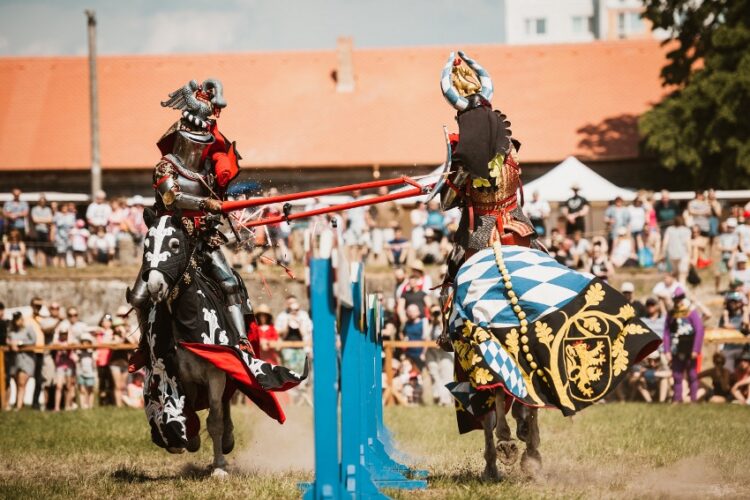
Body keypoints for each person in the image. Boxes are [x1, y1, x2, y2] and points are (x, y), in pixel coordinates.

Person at [126, 79, 254, 371]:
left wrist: (217, 212)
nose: (199, 150)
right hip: (169, 239)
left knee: (230, 283)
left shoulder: (207, 174)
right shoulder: (166, 166)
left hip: (201, 241)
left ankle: (242, 343)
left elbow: (215, 205)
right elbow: (172, 197)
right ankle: (145, 346)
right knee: (140, 294)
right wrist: (205, 205)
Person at [663, 287, 705, 403]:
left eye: (679, 299)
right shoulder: (671, 314)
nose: (678, 301)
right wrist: (667, 350)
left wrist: (696, 349)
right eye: (676, 299)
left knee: (692, 374)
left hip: (690, 347)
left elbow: (699, 330)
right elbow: (666, 333)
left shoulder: (691, 313)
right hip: (676, 348)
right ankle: (677, 399)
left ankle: (693, 400)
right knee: (676, 375)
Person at [275, 295, 312, 375]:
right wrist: (287, 325)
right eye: (290, 303)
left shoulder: (304, 315)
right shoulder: (282, 316)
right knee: (289, 372)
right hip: (287, 348)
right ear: (286, 304)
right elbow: (277, 333)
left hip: (302, 348)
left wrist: (299, 323)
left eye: (293, 302)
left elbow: (307, 333)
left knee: (302, 371)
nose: (292, 305)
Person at [7, 312, 36, 410]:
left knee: (22, 382)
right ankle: (19, 402)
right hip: (15, 360)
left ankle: (18, 406)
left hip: (26, 360)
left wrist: (20, 343)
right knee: (16, 382)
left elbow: (33, 341)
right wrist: (10, 343)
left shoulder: (28, 328)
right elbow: (7, 340)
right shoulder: (11, 331)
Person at [425, 305, 453, 406]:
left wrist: (442, 322)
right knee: (435, 375)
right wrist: (432, 322)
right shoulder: (427, 323)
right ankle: (439, 398)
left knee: (446, 374)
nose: (436, 315)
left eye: (438, 312)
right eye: (434, 313)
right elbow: (425, 337)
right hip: (431, 352)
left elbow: (447, 336)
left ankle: (446, 400)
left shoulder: (447, 322)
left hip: (445, 352)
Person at [718, 291, 750, 370]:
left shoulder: (745, 315)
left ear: (740, 303)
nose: (732, 304)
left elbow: (746, 327)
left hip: (743, 349)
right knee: (727, 372)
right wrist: (725, 318)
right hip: (728, 349)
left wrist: (746, 312)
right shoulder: (725, 316)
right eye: (730, 302)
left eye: (735, 302)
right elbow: (721, 331)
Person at [52, 324, 77, 411]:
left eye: (65, 333)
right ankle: (57, 407)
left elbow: (73, 344)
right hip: (60, 366)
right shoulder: (57, 341)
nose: (63, 335)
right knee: (59, 386)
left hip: (69, 365)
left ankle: (67, 406)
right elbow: (54, 343)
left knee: (68, 386)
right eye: (62, 333)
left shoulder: (71, 341)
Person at [661, 215, 692, 284]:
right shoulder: (686, 230)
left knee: (675, 273)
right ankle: (681, 291)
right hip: (683, 254)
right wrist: (690, 255)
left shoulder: (669, 229)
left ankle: (676, 290)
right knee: (682, 275)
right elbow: (688, 244)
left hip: (672, 254)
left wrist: (663, 253)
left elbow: (665, 242)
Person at [401, 304, 429, 371]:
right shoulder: (406, 323)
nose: (411, 313)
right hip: (409, 355)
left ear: (418, 312)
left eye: (413, 311)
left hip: (420, 354)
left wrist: (423, 354)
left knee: (423, 374)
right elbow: (404, 336)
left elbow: (427, 339)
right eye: (409, 311)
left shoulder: (424, 322)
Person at [715, 218, 739, 292]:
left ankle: (733, 290)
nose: (730, 228)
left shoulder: (736, 236)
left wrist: (731, 258)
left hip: (732, 258)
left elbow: (735, 248)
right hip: (723, 258)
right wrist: (729, 249)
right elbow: (718, 247)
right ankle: (717, 290)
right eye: (729, 227)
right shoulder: (722, 236)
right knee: (717, 274)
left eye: (732, 227)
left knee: (732, 276)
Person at [30, 195, 53, 268]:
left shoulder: (48, 209)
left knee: (44, 248)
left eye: (44, 201)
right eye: (41, 201)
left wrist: (40, 220)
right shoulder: (34, 209)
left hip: (45, 231)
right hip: (37, 231)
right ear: (39, 201)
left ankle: (43, 265)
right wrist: (45, 220)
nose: (42, 202)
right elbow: (35, 220)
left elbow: (50, 220)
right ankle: (36, 265)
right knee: (37, 248)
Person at [76, 333, 97, 409]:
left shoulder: (92, 352)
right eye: (83, 342)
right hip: (81, 373)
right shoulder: (79, 352)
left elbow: (94, 364)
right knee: (82, 389)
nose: (85, 344)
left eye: (87, 342)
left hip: (91, 373)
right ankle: (83, 405)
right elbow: (76, 360)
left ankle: (90, 405)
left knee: (90, 390)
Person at [53, 203, 75, 268]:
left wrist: (72, 235)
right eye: (63, 208)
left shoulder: (71, 216)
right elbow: (54, 226)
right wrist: (53, 235)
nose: (65, 209)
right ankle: (57, 266)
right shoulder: (57, 215)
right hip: (59, 236)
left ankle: (65, 265)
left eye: (66, 208)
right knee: (59, 251)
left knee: (67, 251)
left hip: (68, 236)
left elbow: (72, 227)